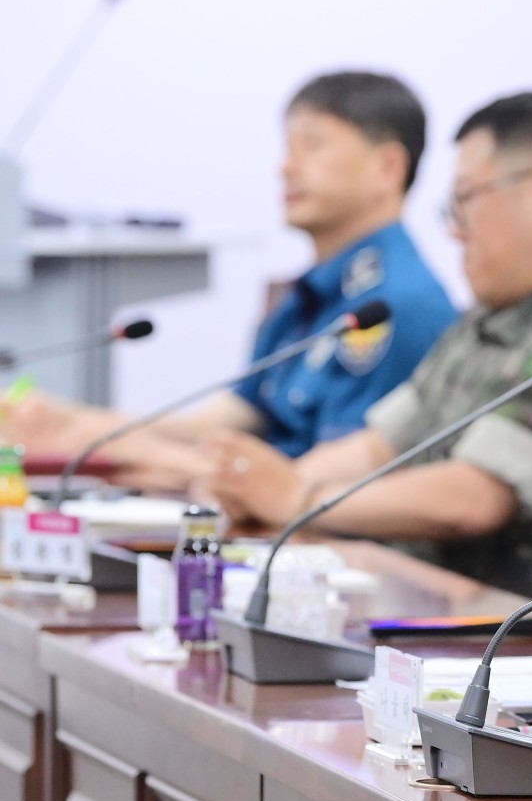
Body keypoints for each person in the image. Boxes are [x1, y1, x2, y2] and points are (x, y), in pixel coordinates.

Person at [204, 92, 532, 622]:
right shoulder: (489, 320)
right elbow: (380, 446)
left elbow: (472, 498)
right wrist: (265, 485)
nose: (455, 228)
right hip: (424, 617)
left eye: (465, 199)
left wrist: (299, 498)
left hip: (523, 645)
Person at [0, 71, 458, 489]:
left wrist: (143, 456)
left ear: (387, 167)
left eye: (313, 146)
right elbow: (234, 418)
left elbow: (327, 481)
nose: (286, 167)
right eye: (287, 148)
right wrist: (72, 422)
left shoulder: (397, 303)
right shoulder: (310, 292)